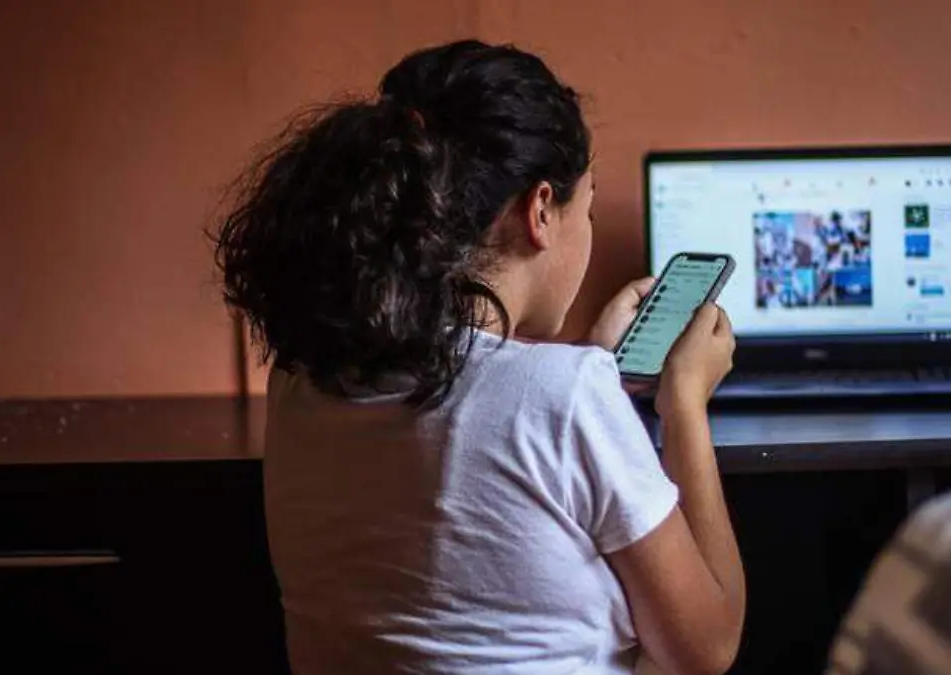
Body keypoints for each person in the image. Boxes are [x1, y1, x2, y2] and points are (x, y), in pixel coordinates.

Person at [213, 40, 745, 675]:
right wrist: (683, 403)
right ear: (540, 210)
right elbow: (707, 649)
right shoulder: (568, 396)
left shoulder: (299, 378)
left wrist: (588, 364)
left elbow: (479, 413)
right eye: (588, 207)